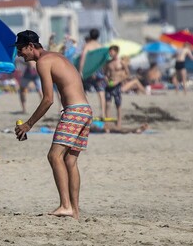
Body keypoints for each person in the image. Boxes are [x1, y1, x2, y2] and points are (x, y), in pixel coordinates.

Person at [14, 30, 92, 220]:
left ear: (31, 46)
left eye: (20, 49)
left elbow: (48, 99)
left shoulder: (43, 62)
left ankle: (65, 205)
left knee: (54, 155)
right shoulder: (57, 57)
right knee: (70, 161)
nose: (19, 54)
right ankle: (74, 210)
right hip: (85, 110)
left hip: (74, 111)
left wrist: (28, 124)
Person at [79, 29, 106, 119]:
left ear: (90, 35)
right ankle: (103, 113)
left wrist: (80, 71)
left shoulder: (87, 46)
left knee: (84, 91)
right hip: (99, 71)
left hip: (89, 71)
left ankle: (85, 113)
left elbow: (83, 58)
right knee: (101, 92)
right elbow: (104, 60)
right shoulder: (100, 46)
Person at [103, 45, 128, 127]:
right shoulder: (108, 63)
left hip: (117, 85)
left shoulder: (121, 62)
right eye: (109, 51)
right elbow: (105, 73)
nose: (110, 53)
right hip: (109, 84)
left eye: (111, 51)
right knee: (107, 104)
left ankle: (119, 122)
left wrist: (118, 81)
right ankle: (107, 122)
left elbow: (127, 74)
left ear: (116, 52)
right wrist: (106, 79)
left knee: (118, 104)